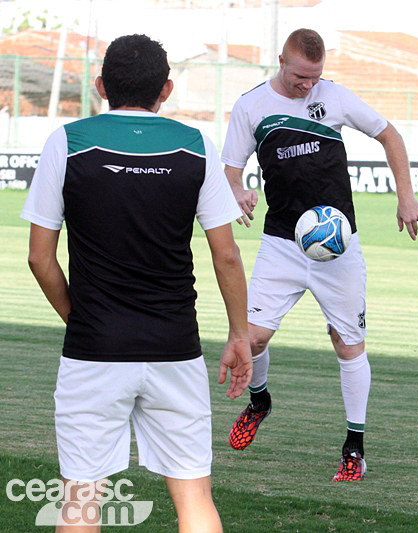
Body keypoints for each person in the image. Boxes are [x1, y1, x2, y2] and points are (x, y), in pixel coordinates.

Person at [21, 34, 252, 532]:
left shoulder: (68, 141)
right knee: (194, 498)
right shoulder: (196, 146)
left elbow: (40, 258)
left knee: (80, 501)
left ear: (102, 86)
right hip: (176, 347)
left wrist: (82, 318)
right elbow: (226, 255)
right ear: (165, 90)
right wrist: (238, 334)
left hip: (94, 349)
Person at [221, 28, 418, 482]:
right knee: (251, 339)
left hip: (339, 247)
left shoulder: (333, 97)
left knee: (347, 343)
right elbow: (231, 170)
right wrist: (237, 191)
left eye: (314, 77)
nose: (307, 86)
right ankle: (260, 401)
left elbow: (389, 135)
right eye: (299, 77)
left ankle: (354, 447)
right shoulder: (250, 106)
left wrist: (405, 195)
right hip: (281, 243)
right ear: (281, 61)